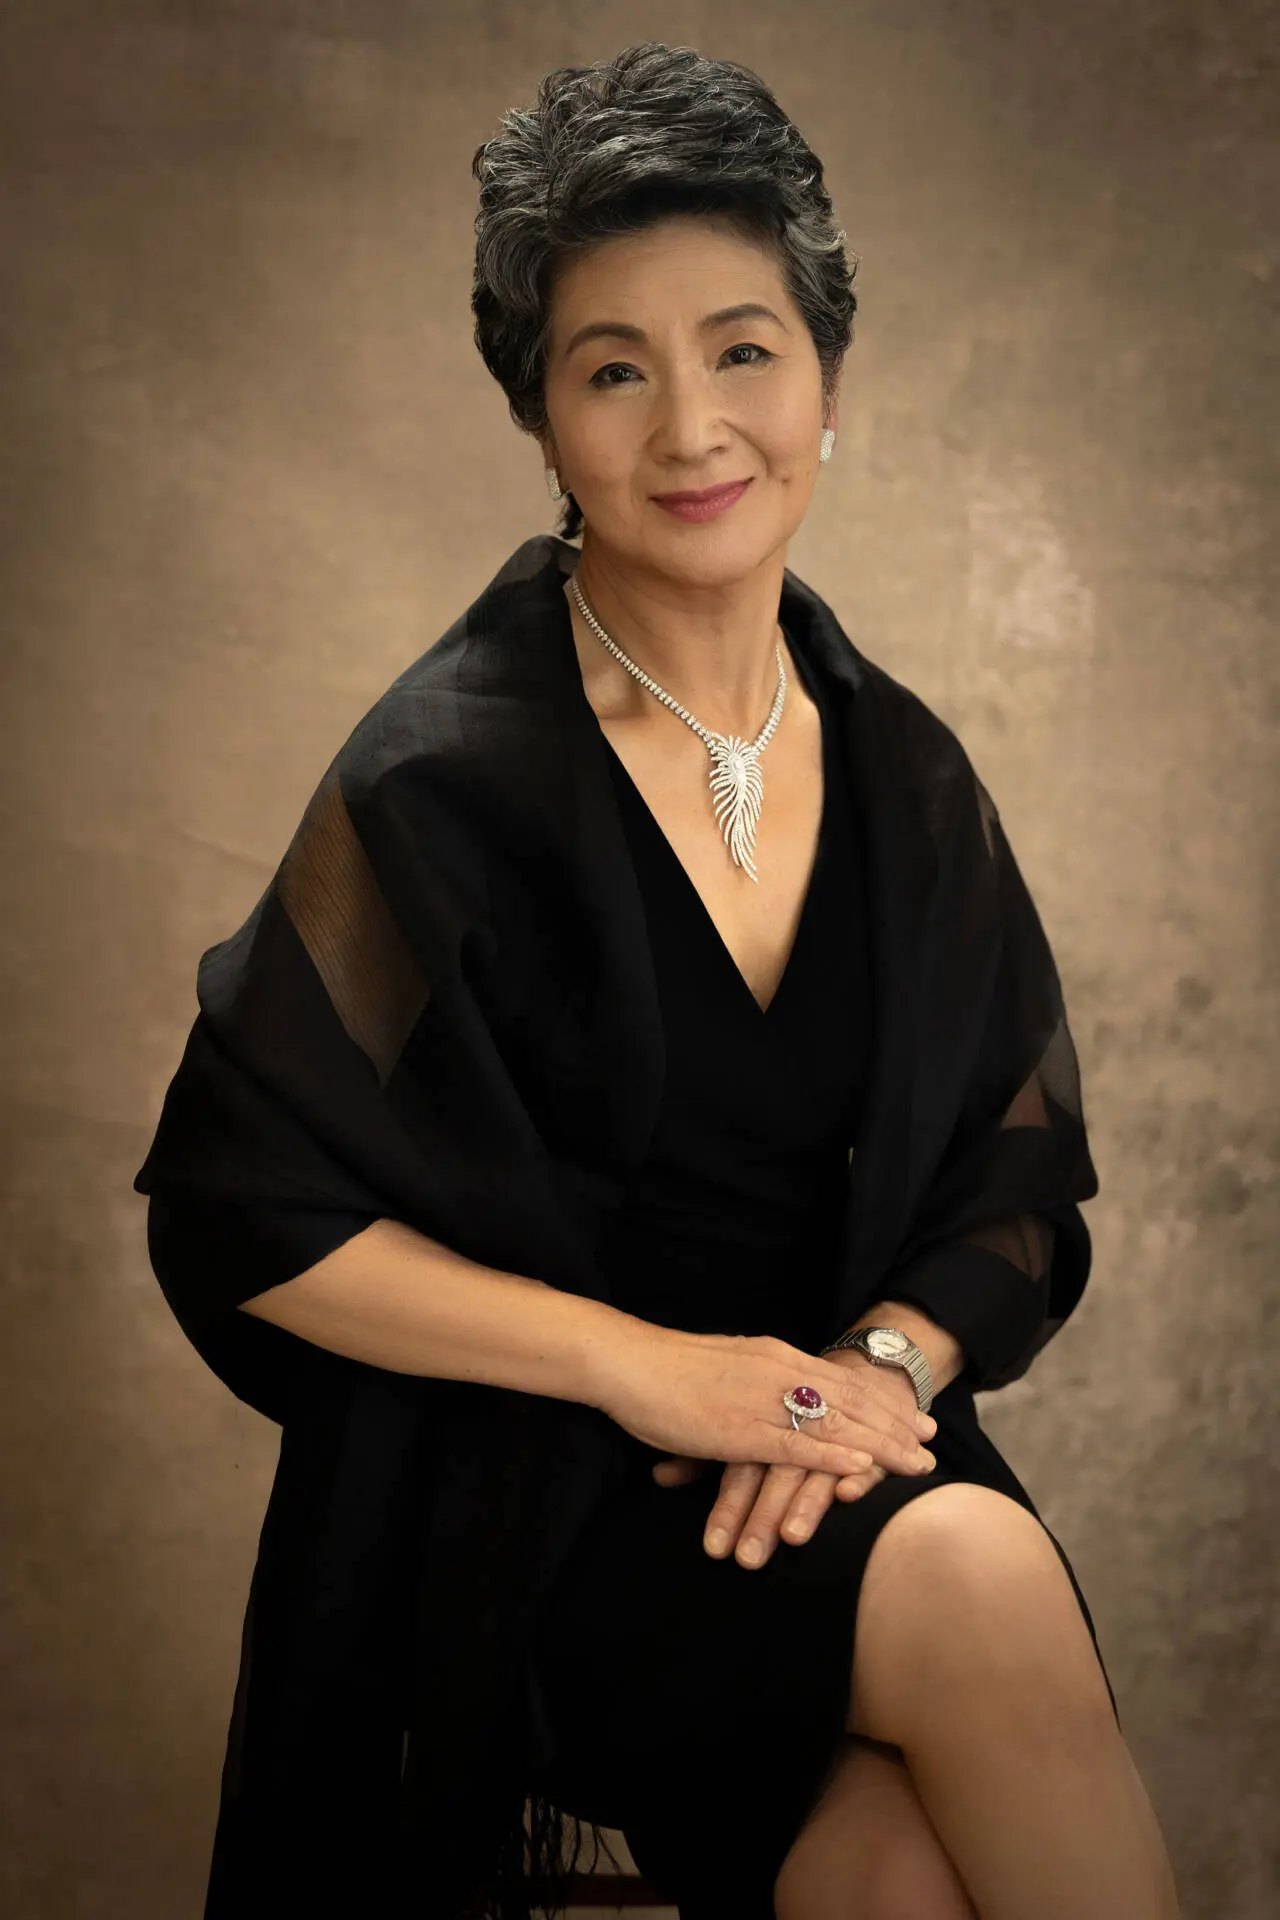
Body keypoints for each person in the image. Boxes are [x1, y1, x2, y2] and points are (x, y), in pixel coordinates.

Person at [134, 40, 1182, 1920]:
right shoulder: (441, 778)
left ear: (830, 381)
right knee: (984, 1581)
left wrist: (854, 1383)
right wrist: (666, 1380)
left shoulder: (910, 775)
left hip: (832, 1464)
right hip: (551, 1513)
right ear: (543, 418)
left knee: (896, 1887)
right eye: (614, 368)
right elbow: (242, 1213)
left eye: (744, 348)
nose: (693, 426)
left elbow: (1018, 1203)